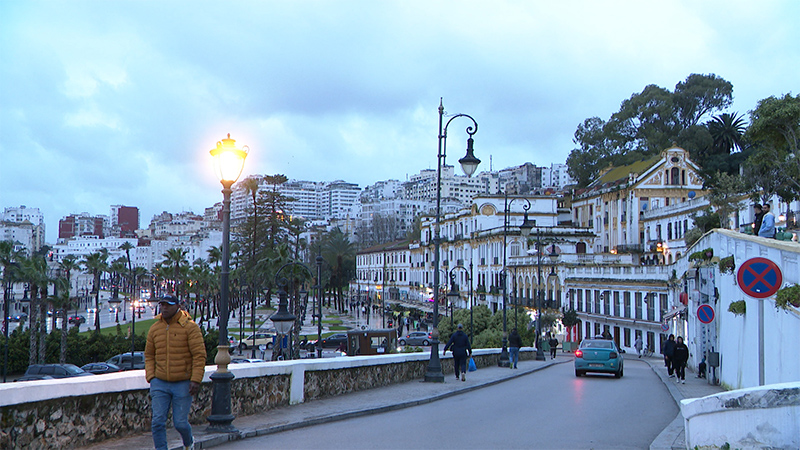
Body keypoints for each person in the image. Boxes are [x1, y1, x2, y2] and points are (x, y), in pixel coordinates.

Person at [145, 295, 206, 450]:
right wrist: (151, 377)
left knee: (180, 423)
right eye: (162, 305)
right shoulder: (155, 329)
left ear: (177, 306)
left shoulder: (190, 327)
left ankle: (188, 443)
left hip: (182, 382)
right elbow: (149, 355)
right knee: (157, 422)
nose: (164, 308)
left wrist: (196, 379)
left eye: (168, 305)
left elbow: (199, 355)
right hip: (160, 382)